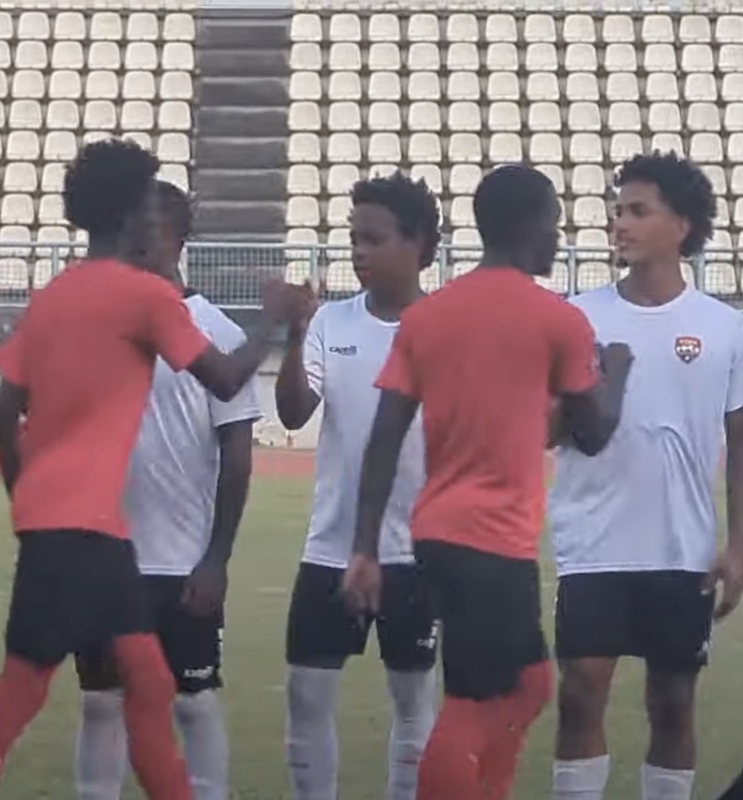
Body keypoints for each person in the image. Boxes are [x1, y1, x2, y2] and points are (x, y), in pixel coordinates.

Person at [0, 138, 306, 800]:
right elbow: (224, 380)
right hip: (92, 531)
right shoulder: (145, 296)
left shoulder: (54, 295)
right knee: (55, 690)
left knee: (126, 685)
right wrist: (274, 321)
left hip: (65, 528)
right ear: (133, 208)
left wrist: (28, 499)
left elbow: (1, 412)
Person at [343, 164, 634, 800]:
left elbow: (385, 437)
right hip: (492, 541)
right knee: (475, 702)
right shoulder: (558, 320)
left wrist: (364, 548)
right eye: (554, 223)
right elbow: (593, 432)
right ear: (529, 224)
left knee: (528, 684)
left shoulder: (429, 316)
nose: (559, 236)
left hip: (439, 534)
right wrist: (617, 367)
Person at [548, 153, 743, 800]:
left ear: (682, 226)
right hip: (592, 542)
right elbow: (546, 429)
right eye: (618, 209)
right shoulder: (577, 317)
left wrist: (738, 547)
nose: (620, 222)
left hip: (682, 548)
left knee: (672, 702)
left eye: (638, 210)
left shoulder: (726, 328)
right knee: (581, 694)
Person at [73, 180, 260, 800]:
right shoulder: (94, 326)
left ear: (179, 238)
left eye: (147, 231)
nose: (135, 245)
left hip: (182, 562)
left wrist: (217, 558)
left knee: (194, 701)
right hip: (104, 558)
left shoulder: (217, 331)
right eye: (127, 231)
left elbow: (236, 456)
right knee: (100, 701)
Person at [276, 173, 441, 800]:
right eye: (354, 239)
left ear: (418, 245)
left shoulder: (445, 327)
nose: (359, 251)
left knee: (412, 696)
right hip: (332, 545)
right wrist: (295, 333)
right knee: (307, 691)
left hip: (415, 550)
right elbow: (293, 413)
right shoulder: (330, 324)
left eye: (373, 239)